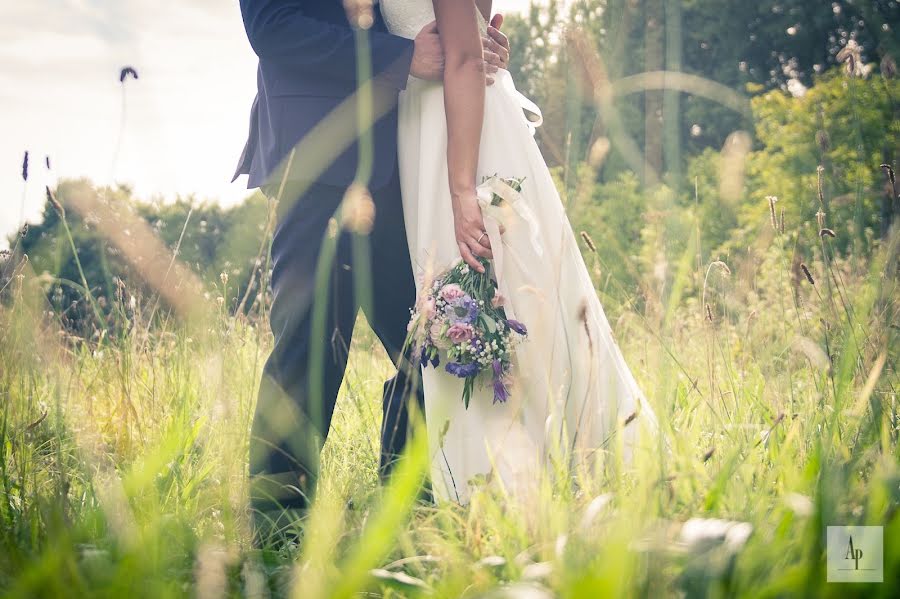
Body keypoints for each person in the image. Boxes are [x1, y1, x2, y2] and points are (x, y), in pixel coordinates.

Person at [233, 0, 511, 534]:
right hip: (321, 154)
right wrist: (401, 58)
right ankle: (277, 525)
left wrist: (473, 43)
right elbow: (273, 29)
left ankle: (407, 508)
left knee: (432, 342)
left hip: (411, 157)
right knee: (309, 340)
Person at [380, 0, 659, 503]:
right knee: (495, 293)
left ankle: (507, 478)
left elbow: (466, 55)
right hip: (433, 118)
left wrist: (462, 189)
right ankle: (511, 468)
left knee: (490, 288)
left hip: (454, 131)